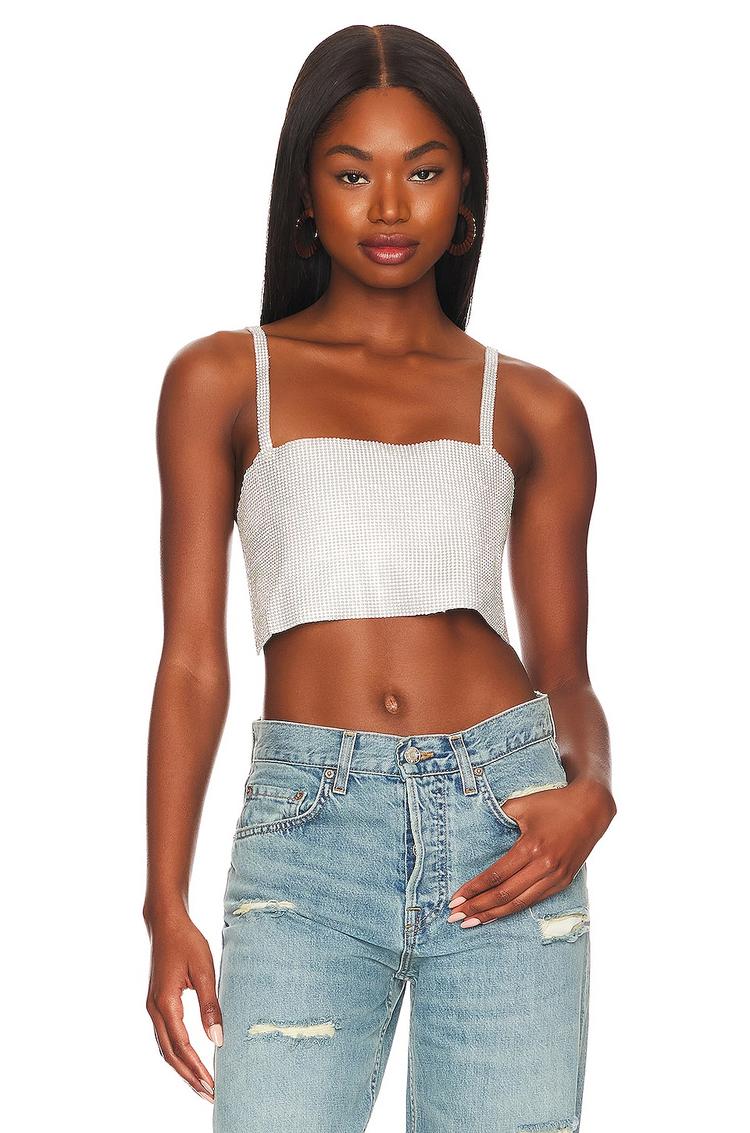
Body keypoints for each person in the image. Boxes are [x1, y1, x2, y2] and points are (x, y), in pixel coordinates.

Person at [143, 23, 617, 1133]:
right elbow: (192, 661)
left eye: (425, 171)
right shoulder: (224, 378)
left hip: (508, 820)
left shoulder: (535, 405)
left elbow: (565, 676)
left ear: (467, 194)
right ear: (306, 195)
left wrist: (590, 789)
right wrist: (164, 899)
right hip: (307, 832)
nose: (391, 206)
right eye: (354, 173)